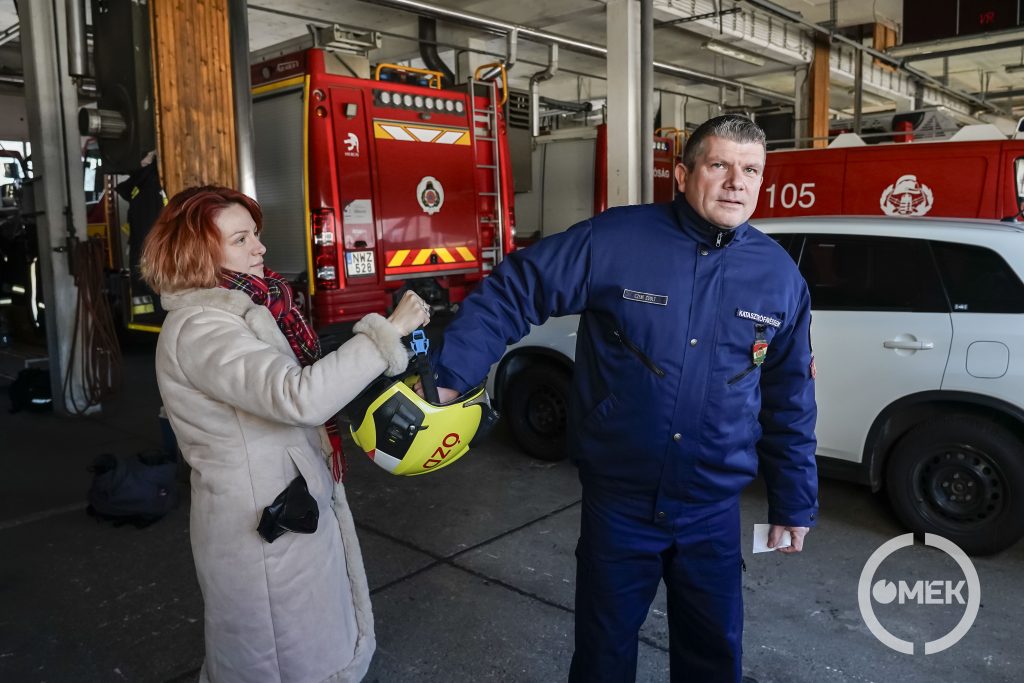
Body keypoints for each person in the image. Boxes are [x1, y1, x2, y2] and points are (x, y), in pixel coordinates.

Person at [430, 115, 818, 682]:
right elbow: (516, 290)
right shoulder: (616, 240)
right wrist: (450, 375)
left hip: (710, 512)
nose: (737, 182)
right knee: (603, 655)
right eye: (720, 165)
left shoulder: (779, 277)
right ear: (682, 175)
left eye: (751, 170)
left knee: (713, 656)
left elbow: (790, 396)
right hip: (620, 506)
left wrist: (794, 500)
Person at [140, 185, 431, 683]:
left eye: (254, 234)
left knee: (300, 646)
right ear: (196, 253)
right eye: (240, 239)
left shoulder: (244, 309)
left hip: (282, 505)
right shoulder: (203, 328)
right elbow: (299, 396)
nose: (260, 248)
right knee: (281, 658)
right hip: (263, 525)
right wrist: (388, 332)